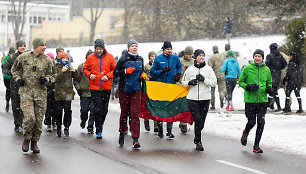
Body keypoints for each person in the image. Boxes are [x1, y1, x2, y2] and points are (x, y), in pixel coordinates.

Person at [11, 37, 55, 153]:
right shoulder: (23, 57)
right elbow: (14, 70)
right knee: (30, 117)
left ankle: (34, 142)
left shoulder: (47, 60)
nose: (44, 47)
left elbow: (53, 76)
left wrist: (46, 79)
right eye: (42, 45)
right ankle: (26, 139)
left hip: (41, 94)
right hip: (26, 92)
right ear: (36, 46)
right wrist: (18, 79)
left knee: (38, 120)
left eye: (45, 45)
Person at [182, 49, 217, 151]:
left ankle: (197, 136)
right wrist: (190, 82)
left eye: (203, 55)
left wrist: (204, 80)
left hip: (205, 99)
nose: (202, 57)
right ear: (195, 57)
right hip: (192, 98)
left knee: (201, 122)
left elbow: (214, 83)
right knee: (197, 119)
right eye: (200, 55)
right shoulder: (190, 69)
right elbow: (183, 81)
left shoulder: (209, 69)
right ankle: (199, 142)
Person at [238, 49, 272, 153]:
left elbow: (269, 82)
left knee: (261, 122)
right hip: (250, 100)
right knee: (252, 122)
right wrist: (247, 87)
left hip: (262, 100)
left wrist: (269, 88)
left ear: (262, 58)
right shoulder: (247, 68)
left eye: (259, 56)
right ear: (253, 57)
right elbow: (240, 81)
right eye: (256, 56)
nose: (257, 58)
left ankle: (256, 145)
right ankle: (246, 132)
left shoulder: (267, 70)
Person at [114, 39, 146, 148]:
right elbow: (115, 73)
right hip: (124, 89)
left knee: (135, 114)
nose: (134, 47)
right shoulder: (123, 59)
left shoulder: (140, 59)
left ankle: (135, 139)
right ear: (128, 48)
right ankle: (122, 133)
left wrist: (143, 75)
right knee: (124, 113)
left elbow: (142, 71)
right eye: (132, 46)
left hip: (136, 89)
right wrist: (125, 72)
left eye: (136, 46)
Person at [83, 39, 116, 139]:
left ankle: (100, 124)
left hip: (106, 87)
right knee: (96, 109)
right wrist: (90, 74)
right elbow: (85, 68)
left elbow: (115, 69)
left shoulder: (110, 57)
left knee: (104, 109)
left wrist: (108, 76)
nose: (98, 51)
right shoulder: (90, 57)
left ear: (103, 48)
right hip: (95, 87)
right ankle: (98, 130)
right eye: (97, 49)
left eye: (100, 49)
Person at [150, 41, 182, 139]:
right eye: (168, 49)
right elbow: (152, 72)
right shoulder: (158, 59)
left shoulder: (175, 58)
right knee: (161, 109)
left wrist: (178, 75)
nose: (170, 51)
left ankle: (169, 131)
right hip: (161, 87)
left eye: (171, 49)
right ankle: (160, 129)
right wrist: (162, 71)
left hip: (171, 86)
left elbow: (179, 67)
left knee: (170, 109)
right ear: (164, 50)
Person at [54, 51, 81, 137]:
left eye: (66, 58)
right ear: (60, 59)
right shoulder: (56, 67)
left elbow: (78, 78)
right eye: (63, 58)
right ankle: (58, 127)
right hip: (58, 93)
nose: (65, 60)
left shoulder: (70, 67)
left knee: (68, 111)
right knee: (58, 111)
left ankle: (66, 127)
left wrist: (75, 71)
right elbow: (54, 79)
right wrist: (62, 71)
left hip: (68, 93)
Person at [2, 42, 26, 132]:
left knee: (25, 105)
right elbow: (5, 68)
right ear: (17, 47)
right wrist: (12, 73)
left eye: (24, 46)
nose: (23, 48)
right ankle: (17, 124)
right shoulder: (12, 57)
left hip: (26, 85)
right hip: (15, 85)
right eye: (21, 46)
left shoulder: (29, 56)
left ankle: (23, 124)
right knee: (16, 105)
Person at [74, 49, 95, 134]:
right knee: (84, 111)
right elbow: (75, 80)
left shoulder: (97, 67)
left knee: (93, 111)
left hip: (94, 93)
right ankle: (83, 120)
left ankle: (90, 127)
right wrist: (78, 89)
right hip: (84, 93)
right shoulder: (81, 67)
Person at [265, 43, 287, 112]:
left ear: (271, 49)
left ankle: (278, 106)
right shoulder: (280, 56)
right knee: (273, 91)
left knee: (272, 91)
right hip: (278, 75)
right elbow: (285, 64)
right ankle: (269, 105)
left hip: (270, 76)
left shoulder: (269, 56)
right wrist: (278, 69)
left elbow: (266, 65)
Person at [178, 46, 194, 133]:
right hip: (181, 86)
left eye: (191, 54)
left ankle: (184, 122)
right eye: (188, 54)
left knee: (189, 106)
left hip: (191, 86)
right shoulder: (180, 61)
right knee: (183, 105)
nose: (190, 56)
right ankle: (183, 123)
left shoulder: (194, 62)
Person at [208, 45, 226, 110]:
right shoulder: (223, 57)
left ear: (213, 50)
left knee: (212, 91)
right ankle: (222, 99)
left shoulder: (211, 58)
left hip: (213, 76)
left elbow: (209, 68)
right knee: (221, 89)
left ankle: (213, 105)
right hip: (222, 75)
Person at [143, 51, 158, 132]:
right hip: (148, 88)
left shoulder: (158, 66)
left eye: (155, 56)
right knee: (147, 105)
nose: (154, 58)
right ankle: (146, 121)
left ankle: (156, 124)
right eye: (152, 56)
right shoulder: (146, 66)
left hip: (156, 88)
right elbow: (143, 76)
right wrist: (148, 79)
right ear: (149, 57)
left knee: (155, 106)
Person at [44, 52, 57, 132]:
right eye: (49, 58)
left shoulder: (56, 67)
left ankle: (54, 122)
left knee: (55, 109)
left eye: (52, 58)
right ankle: (48, 124)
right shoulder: (44, 68)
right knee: (48, 109)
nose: (51, 59)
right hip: (47, 91)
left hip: (55, 92)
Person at [1, 47, 16, 112]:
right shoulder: (6, 58)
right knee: (9, 90)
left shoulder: (15, 58)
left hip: (13, 78)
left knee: (14, 91)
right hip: (7, 78)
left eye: (14, 52)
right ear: (10, 52)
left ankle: (13, 104)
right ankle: (7, 102)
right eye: (12, 52)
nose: (13, 53)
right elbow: (3, 66)